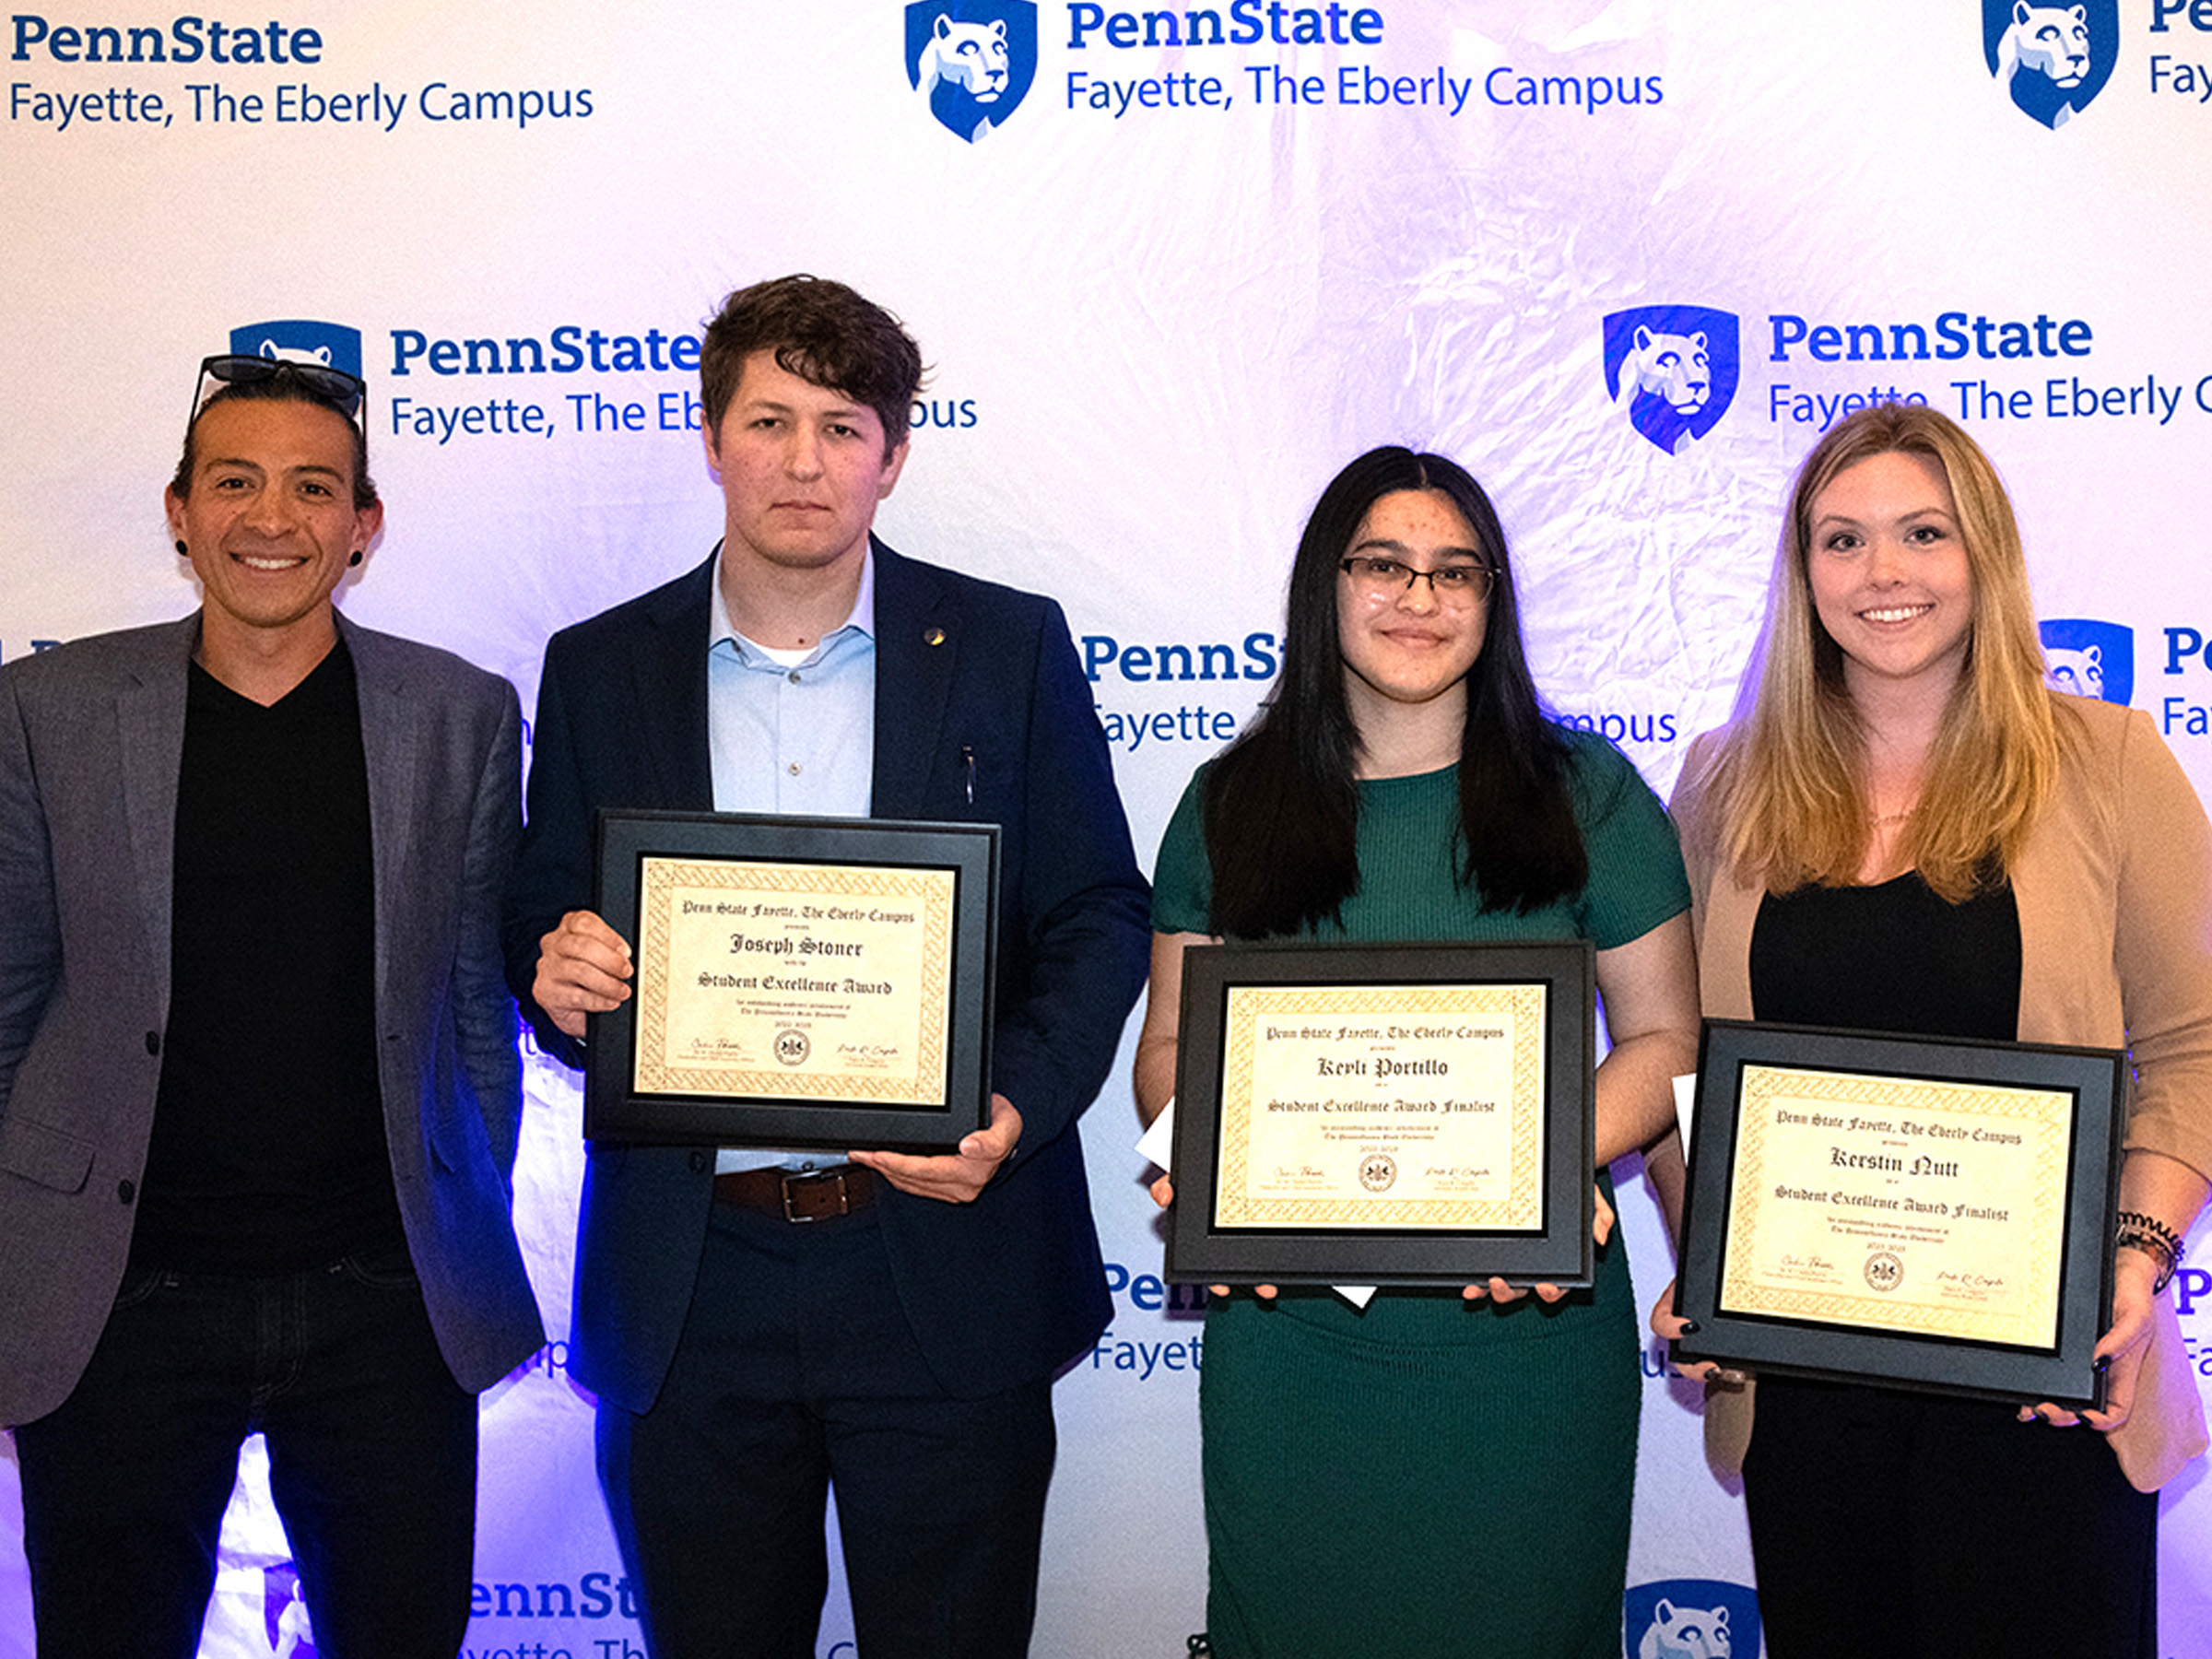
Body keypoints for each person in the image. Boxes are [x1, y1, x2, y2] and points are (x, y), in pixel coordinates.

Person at [503, 274, 1150, 1658]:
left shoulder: (1007, 646)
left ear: (893, 456)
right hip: (694, 1275)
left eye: (843, 428)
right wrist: (551, 974)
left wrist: (1016, 1114)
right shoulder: (602, 665)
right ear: (710, 434)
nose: (805, 461)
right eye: (771, 420)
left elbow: (1097, 910)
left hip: (944, 1256)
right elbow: (545, 908)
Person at [0, 353, 545, 1656]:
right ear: (179, 511)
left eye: (314, 488)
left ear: (363, 529)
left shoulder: (459, 714)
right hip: (117, 1308)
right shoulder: (45, 710)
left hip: (385, 1306)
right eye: (233, 481)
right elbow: (9, 996)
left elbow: (477, 1009)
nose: (270, 518)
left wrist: (449, 1218)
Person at [1648, 403, 2212, 1656]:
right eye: (1841, 540)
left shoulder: (2110, 762)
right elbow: (1687, 1062)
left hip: (2046, 1388)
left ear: (1985, 558)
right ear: (1802, 573)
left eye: (1922, 533)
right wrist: (1710, 1268)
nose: (1883, 572)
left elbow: (2195, 1044)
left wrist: (2128, 1258)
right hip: (1807, 1393)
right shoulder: (1721, 782)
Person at [1135, 445, 1700, 1658]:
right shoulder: (1228, 804)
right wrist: (1206, 1166)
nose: (1420, 598)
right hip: (1292, 1341)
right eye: (1383, 565)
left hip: (1524, 1333)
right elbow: (1174, 1042)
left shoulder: (1586, 792)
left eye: (1457, 573)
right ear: (1325, 585)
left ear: (1493, 601)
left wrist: (1542, 1176)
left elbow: (1664, 1037)